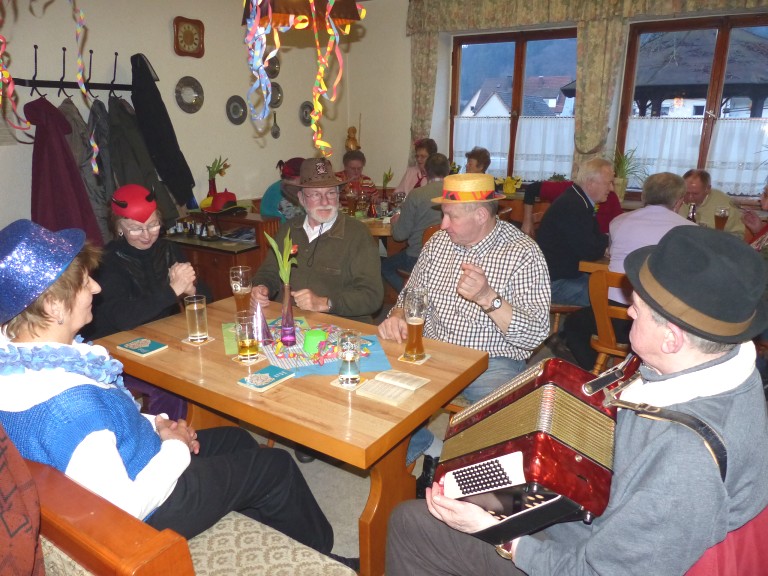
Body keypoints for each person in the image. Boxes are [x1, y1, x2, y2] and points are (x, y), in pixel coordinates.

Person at [387, 224, 768, 576]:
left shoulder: (685, 461)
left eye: (639, 310)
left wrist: (500, 535)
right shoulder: (723, 368)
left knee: (412, 523)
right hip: (597, 508)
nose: (629, 309)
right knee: (467, 489)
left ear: (672, 339)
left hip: (581, 554)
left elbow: (601, 571)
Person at [0, 219, 359, 569]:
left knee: (236, 440)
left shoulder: (21, 363)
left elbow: (105, 424)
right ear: (53, 306)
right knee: (277, 466)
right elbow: (127, 506)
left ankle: (266, 529)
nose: (95, 287)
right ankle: (325, 559)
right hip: (152, 508)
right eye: (84, 282)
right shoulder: (69, 407)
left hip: (136, 456)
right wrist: (174, 447)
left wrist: (157, 424)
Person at [378, 173, 550, 496]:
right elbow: (411, 295)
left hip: (491, 360)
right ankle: (430, 448)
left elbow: (535, 333)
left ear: (481, 215)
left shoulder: (523, 253)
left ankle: (472, 489)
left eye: (451, 216)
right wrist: (398, 315)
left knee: (501, 423)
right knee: (376, 390)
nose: (442, 225)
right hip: (431, 350)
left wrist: (488, 297)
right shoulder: (438, 244)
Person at [84, 184, 213, 420]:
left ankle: (203, 425)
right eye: (136, 228)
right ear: (119, 227)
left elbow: (208, 299)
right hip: (118, 352)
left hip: (164, 342)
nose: (146, 235)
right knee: (171, 384)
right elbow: (124, 319)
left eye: (153, 225)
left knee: (209, 361)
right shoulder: (108, 261)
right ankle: (164, 435)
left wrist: (191, 289)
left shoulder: (168, 249)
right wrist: (173, 290)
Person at [563, 172, 696, 370]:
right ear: (679, 201)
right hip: (657, 324)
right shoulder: (689, 231)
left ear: (643, 196)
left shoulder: (618, 222)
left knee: (573, 324)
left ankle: (595, 371)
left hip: (611, 319)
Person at [251, 157, 383, 324]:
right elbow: (268, 272)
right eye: (315, 194)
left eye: (331, 193)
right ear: (301, 199)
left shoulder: (358, 234)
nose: (325, 201)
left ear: (338, 195)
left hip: (341, 327)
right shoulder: (289, 230)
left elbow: (372, 296)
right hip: (288, 323)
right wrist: (262, 288)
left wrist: (325, 303)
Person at [536, 157, 613, 307]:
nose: (611, 188)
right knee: (607, 300)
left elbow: (594, 237)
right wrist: (606, 242)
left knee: (607, 289)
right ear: (590, 183)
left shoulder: (579, 199)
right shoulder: (573, 206)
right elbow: (590, 251)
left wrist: (602, 242)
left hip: (566, 275)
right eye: (608, 183)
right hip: (553, 283)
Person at [381, 153, 450, 292]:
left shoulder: (416, 195)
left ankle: (411, 296)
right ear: (448, 172)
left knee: (384, 266)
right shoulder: (455, 194)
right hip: (448, 257)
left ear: (426, 171)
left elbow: (399, 236)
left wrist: (395, 222)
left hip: (417, 256)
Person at [678, 168, 745, 237]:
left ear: (707, 189)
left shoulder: (726, 204)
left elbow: (738, 235)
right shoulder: (677, 197)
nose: (690, 197)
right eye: (687, 193)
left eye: (695, 194)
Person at [260, 157, 306, 222]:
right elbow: (298, 220)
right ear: (300, 177)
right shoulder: (284, 191)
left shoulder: (280, 186)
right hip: (283, 227)